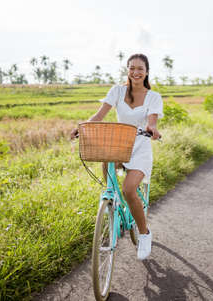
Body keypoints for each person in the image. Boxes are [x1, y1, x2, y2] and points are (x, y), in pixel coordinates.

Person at [71, 53, 163, 260]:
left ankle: (144, 233)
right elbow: (99, 116)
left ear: (147, 71)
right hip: (120, 143)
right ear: (127, 70)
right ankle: (112, 201)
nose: (135, 72)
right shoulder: (117, 91)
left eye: (140, 68)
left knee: (129, 189)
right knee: (106, 159)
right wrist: (82, 128)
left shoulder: (153, 97)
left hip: (140, 147)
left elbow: (153, 121)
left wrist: (152, 128)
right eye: (131, 68)